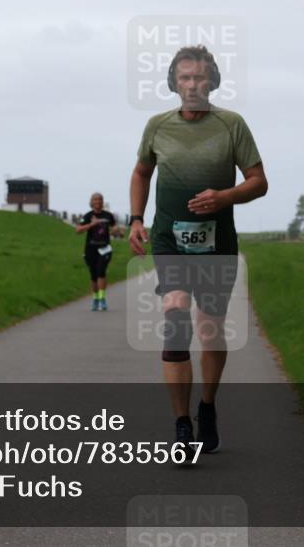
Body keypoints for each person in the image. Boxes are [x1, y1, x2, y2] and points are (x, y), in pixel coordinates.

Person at [129, 45, 267, 459]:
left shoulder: (232, 125)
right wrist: (137, 218)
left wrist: (225, 196)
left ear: (213, 82)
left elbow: (259, 181)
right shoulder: (157, 126)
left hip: (216, 240)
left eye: (199, 78)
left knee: (210, 330)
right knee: (175, 320)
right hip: (169, 238)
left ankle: (206, 407)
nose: (192, 85)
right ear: (174, 82)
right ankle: (181, 424)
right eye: (184, 78)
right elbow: (141, 171)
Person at [75, 192, 119, 311]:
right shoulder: (88, 216)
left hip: (105, 249)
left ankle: (102, 299)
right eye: (95, 200)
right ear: (91, 202)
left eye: (100, 199)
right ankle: (95, 299)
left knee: (101, 272)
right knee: (93, 275)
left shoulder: (108, 215)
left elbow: (115, 228)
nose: (98, 202)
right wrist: (91, 224)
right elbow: (78, 230)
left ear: (102, 202)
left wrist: (115, 230)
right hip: (90, 249)